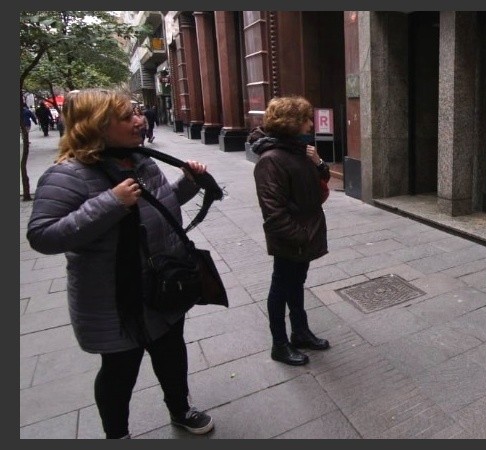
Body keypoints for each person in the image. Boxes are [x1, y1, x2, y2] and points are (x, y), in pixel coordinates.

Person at [26, 88, 214, 439]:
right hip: (115, 300)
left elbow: (162, 204)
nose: (139, 121)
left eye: (137, 112)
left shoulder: (140, 160)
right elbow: (42, 235)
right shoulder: (67, 175)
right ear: (98, 125)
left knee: (172, 355)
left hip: (162, 288)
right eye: (127, 117)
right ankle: (117, 434)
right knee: (120, 371)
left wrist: (190, 184)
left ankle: (180, 409)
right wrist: (110, 203)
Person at [250, 95, 331, 366]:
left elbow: (322, 179)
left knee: (296, 285)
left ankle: (300, 332)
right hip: (291, 239)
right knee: (281, 289)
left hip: (304, 235)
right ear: (292, 123)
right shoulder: (271, 160)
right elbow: (273, 213)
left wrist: (318, 162)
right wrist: (301, 237)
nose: (311, 123)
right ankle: (279, 344)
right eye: (306, 119)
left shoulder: (299, 150)